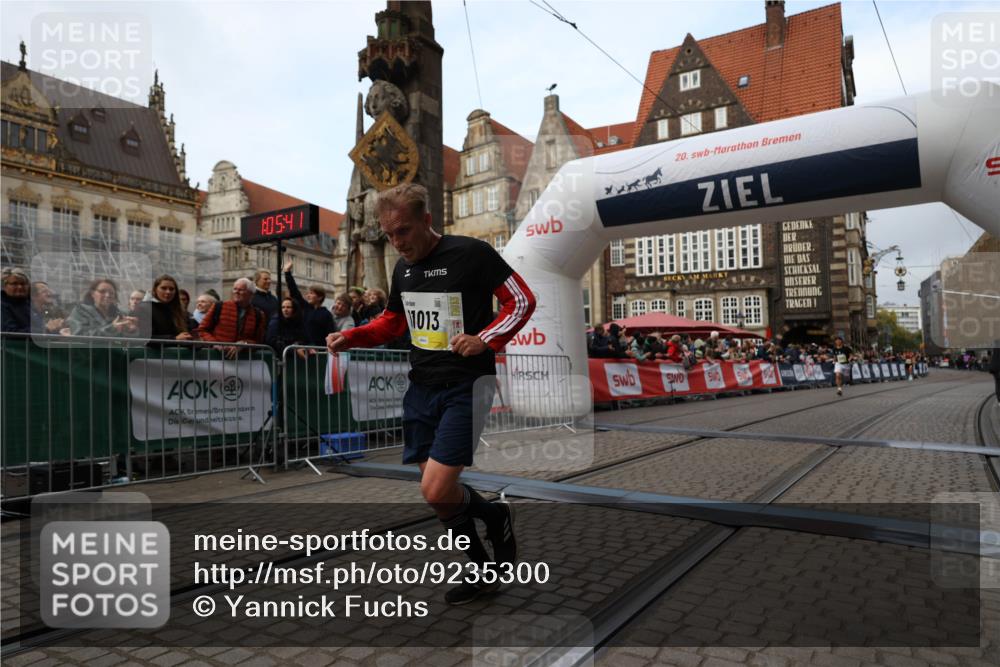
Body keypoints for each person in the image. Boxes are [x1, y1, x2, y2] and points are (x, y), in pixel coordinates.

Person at [326, 183, 535, 605]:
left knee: (438, 491)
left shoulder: (471, 252)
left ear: (426, 220)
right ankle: (482, 571)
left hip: (466, 385)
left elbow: (522, 301)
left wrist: (486, 338)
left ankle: (495, 516)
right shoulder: (403, 270)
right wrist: (353, 336)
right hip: (420, 388)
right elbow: (392, 321)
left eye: (403, 231)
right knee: (438, 497)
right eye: (389, 234)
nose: (397, 243)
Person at [197, 278, 266, 358]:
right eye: (235, 289)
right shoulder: (219, 306)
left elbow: (258, 340)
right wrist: (215, 344)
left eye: (241, 290)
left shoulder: (258, 315)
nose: (236, 292)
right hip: (216, 358)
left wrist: (244, 344)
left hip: (243, 362)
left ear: (251, 294)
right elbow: (202, 330)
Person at [282, 258, 335, 346]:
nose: (308, 296)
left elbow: (330, 334)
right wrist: (287, 272)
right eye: (307, 293)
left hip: (319, 351)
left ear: (320, 297)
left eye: (311, 293)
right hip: (304, 349)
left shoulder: (326, 314)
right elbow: (294, 291)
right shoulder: (305, 307)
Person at [66, 278, 138, 337]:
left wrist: (131, 330)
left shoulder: (122, 314)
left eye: (111, 293)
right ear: (92, 294)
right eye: (102, 291)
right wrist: (112, 328)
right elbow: (79, 334)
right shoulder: (80, 311)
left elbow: (128, 341)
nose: (107, 295)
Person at [135, 275, 193, 342]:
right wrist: (174, 339)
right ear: (155, 289)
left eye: (171, 289)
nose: (168, 292)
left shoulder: (180, 310)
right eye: (163, 288)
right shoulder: (144, 308)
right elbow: (145, 337)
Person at [1, 268, 31, 333]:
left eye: (23, 284)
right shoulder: (2, 306)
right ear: (4, 286)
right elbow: (10, 332)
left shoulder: (30, 305)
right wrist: (43, 330)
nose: (20, 287)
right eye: (14, 284)